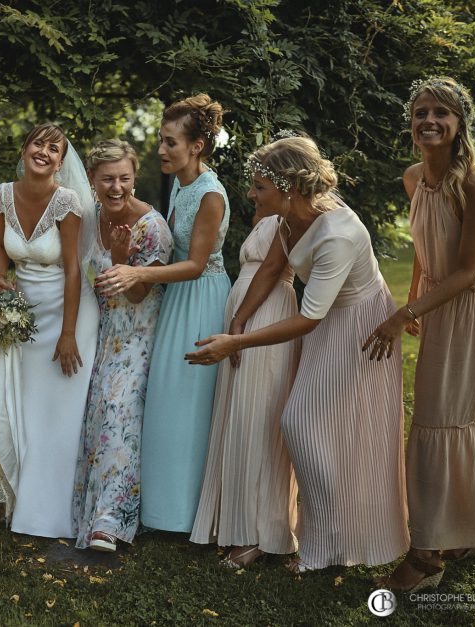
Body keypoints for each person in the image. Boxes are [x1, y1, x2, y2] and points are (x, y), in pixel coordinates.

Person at [185, 136, 408, 573]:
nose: (251, 194)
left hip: (359, 324)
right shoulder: (290, 216)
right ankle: (325, 545)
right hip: (328, 319)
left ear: (287, 188)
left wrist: (237, 344)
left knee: (301, 423)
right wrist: (239, 319)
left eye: (259, 187)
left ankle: (333, 541)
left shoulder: (336, 234)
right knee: (315, 429)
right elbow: (271, 268)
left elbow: (307, 318)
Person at [368, 77, 475, 592]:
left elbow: (469, 271)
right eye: (421, 112)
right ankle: (471, 529)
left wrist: (402, 311)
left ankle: (426, 556)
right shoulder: (412, 177)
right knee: (451, 417)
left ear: (458, 124)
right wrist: (414, 305)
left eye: (441, 113)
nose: (429, 120)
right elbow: (426, 253)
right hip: (438, 305)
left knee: (442, 419)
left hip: (473, 308)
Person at [97, 94, 230, 533]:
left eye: (170, 142)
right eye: (160, 140)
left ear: (197, 146)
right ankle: (160, 510)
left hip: (200, 296)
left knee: (186, 405)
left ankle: (185, 514)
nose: (160, 150)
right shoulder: (181, 182)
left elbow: (194, 264)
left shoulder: (211, 194)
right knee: (164, 404)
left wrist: (137, 272)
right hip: (174, 298)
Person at [0, 123, 99, 538]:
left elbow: (73, 269)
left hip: (67, 312)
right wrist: (0, 282)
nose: (46, 153)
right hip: (23, 315)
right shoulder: (1, 194)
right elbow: (1, 250)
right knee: (24, 409)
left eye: (55, 149)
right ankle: (23, 504)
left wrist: (67, 334)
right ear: (24, 147)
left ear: (60, 161)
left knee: (60, 415)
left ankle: (57, 514)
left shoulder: (67, 200)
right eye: (39, 144)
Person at [72, 140, 173, 552]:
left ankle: (109, 524)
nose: (117, 187)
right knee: (96, 419)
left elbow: (138, 296)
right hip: (100, 334)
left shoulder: (152, 228)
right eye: (108, 179)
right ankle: (86, 509)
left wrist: (119, 258)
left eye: (125, 178)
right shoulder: (90, 216)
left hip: (138, 336)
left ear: (135, 177)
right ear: (92, 181)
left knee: (118, 416)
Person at [190, 194, 300, 568]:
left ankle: (262, 533)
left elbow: (271, 271)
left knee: (259, 419)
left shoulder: (290, 216)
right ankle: (233, 521)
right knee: (238, 416)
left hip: (267, 312)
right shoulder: (265, 214)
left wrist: (239, 322)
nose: (251, 192)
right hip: (247, 310)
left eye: (258, 183)